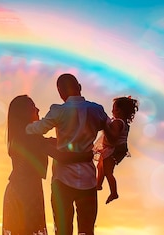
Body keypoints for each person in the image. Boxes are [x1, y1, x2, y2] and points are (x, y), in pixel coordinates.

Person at [26, 74, 109, 235]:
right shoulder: (96, 110)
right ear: (79, 86)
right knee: (86, 230)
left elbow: (37, 129)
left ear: (60, 92)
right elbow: (111, 131)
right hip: (88, 179)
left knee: (63, 230)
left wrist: (23, 128)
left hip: (62, 180)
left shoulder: (58, 111)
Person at [2, 95, 93, 235]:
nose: (37, 109)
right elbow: (61, 156)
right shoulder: (32, 137)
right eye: (33, 107)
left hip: (19, 190)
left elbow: (56, 143)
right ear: (24, 112)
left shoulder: (20, 136)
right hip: (26, 193)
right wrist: (87, 155)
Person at [95, 96, 139, 204]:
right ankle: (98, 184)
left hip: (112, 150)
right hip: (117, 150)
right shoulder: (124, 123)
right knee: (100, 166)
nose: (112, 111)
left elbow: (113, 136)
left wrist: (105, 125)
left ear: (119, 111)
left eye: (114, 108)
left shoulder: (118, 122)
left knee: (108, 171)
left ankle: (113, 192)